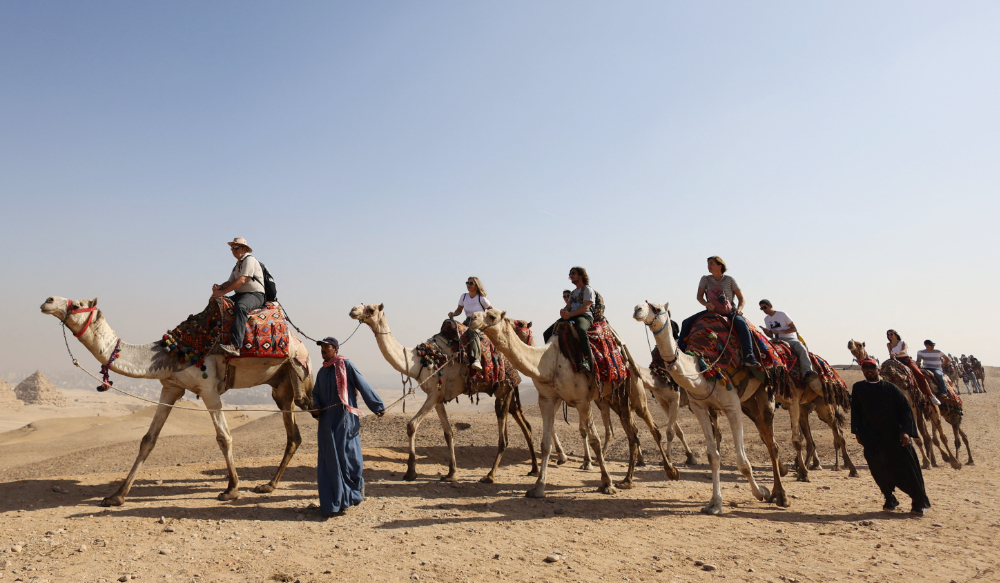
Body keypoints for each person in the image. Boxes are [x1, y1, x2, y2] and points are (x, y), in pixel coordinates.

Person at [312, 336, 385, 518]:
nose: (323, 352)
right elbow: (316, 394)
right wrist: (316, 406)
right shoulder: (322, 372)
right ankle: (333, 504)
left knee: (349, 459)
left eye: (326, 349)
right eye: (321, 350)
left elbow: (362, 384)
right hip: (327, 424)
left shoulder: (346, 366)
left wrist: (377, 406)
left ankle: (352, 496)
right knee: (329, 461)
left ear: (335, 349)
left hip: (345, 420)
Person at [851, 357, 931, 516]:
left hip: (895, 437)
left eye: (871, 367)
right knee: (878, 469)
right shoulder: (858, 388)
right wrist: (857, 432)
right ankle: (889, 498)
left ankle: (917, 501)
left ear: (878, 369)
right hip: (872, 438)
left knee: (908, 470)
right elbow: (856, 412)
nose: (869, 370)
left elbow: (906, 411)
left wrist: (906, 432)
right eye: (865, 367)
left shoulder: (891, 389)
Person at [678, 256, 760, 367]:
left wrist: (739, 310)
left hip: (729, 311)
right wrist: (706, 304)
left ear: (719, 266)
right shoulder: (705, 279)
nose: (709, 266)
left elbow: (742, 298)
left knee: (741, 324)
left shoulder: (730, 280)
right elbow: (699, 296)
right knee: (686, 323)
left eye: (711, 263)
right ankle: (681, 351)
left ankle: (749, 356)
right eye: (708, 264)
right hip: (711, 311)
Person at [212, 237, 265, 357]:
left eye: (236, 247)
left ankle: (235, 345)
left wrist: (223, 292)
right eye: (232, 248)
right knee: (219, 304)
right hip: (240, 295)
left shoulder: (249, 260)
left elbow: (242, 280)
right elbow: (230, 282)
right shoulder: (238, 265)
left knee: (241, 307)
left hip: (255, 295)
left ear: (244, 248)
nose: (233, 250)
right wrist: (219, 288)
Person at [543, 267, 596, 372]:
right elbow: (568, 306)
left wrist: (570, 314)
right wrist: (563, 311)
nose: (570, 276)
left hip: (584, 316)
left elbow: (586, 308)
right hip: (571, 316)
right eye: (570, 274)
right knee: (547, 333)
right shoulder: (572, 293)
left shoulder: (588, 290)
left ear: (581, 276)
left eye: (573, 273)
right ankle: (551, 358)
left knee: (581, 330)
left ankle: (587, 360)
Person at [759, 300, 817, 383]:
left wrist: (780, 332)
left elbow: (794, 329)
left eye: (765, 307)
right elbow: (771, 335)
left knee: (801, 349)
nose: (764, 310)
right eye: (762, 308)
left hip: (790, 338)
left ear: (770, 306)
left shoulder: (782, 314)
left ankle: (807, 371)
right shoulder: (766, 319)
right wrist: (766, 332)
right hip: (776, 340)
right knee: (763, 348)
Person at [447, 277, 492, 371]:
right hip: (468, 320)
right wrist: (453, 314)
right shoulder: (464, 296)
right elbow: (459, 310)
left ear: (476, 285)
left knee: (472, 332)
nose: (468, 285)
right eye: (467, 283)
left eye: (471, 283)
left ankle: (477, 360)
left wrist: (487, 321)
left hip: (479, 322)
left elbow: (491, 310)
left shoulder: (481, 298)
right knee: (452, 329)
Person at [886, 330, 940, 404]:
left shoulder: (902, 342)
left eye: (891, 334)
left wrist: (895, 354)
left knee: (920, 375)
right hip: (897, 362)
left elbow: (904, 351)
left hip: (907, 361)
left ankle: (931, 396)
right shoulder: (889, 344)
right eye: (888, 334)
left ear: (895, 334)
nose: (890, 336)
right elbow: (890, 354)